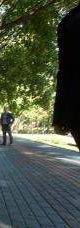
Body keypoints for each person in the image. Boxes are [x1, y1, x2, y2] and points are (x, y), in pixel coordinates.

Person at [53, 3, 80, 151]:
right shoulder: (68, 23)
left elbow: (64, 72)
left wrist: (59, 117)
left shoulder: (68, 22)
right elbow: (65, 71)